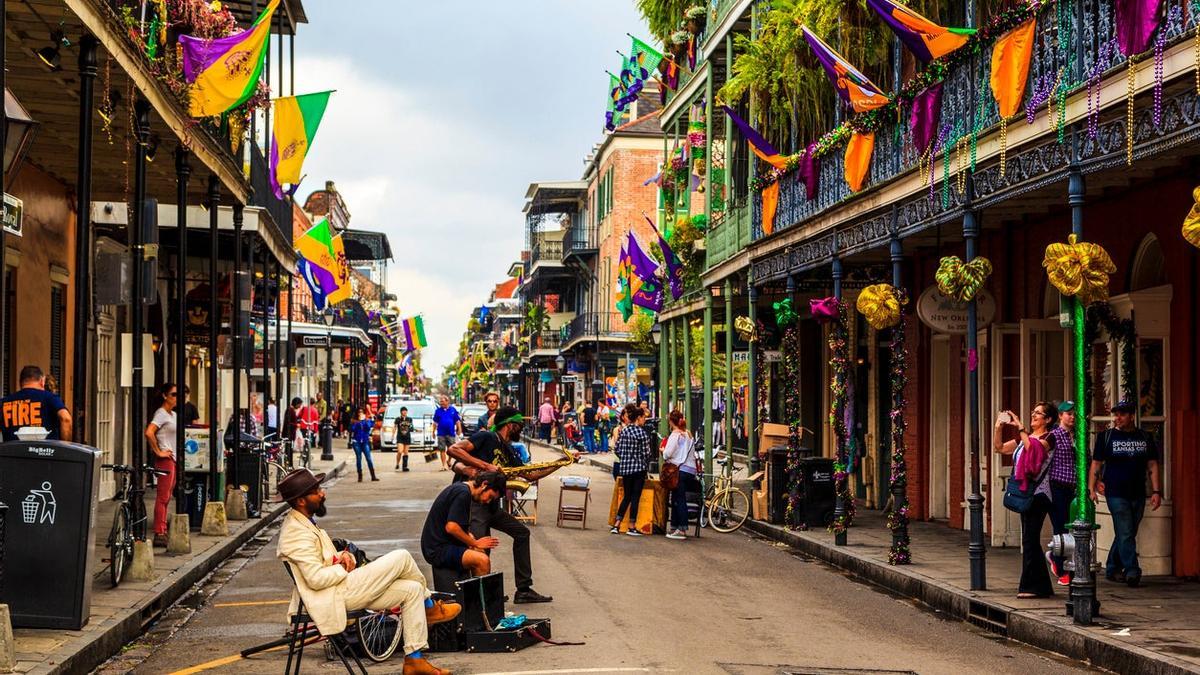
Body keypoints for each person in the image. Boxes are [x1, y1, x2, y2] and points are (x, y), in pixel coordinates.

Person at [274, 469, 458, 675]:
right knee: (402, 557)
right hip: (332, 595)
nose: (323, 493)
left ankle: (414, 660)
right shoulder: (295, 534)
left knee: (412, 589)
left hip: (339, 588)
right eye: (317, 491)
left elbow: (324, 560)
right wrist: (341, 567)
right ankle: (430, 606)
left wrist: (342, 557)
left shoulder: (304, 522)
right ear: (300, 501)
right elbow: (316, 579)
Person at [446, 407, 553, 603]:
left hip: (492, 506)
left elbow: (529, 474)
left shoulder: (509, 449)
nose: (520, 429)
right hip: (474, 502)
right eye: (519, 426)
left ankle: (523, 590)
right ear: (510, 425)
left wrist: (560, 463)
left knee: (522, 533)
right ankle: (481, 599)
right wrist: (484, 466)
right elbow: (453, 450)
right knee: (480, 549)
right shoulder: (486, 437)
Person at [1089, 399, 1162, 587]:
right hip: (1115, 492)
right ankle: (1132, 570)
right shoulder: (1106, 437)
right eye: (1116, 414)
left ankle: (1112, 567)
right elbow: (1096, 463)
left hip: (1138, 492)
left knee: (1126, 532)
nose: (1117, 418)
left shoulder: (1145, 437)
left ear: (1132, 416)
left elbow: (1152, 464)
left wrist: (1156, 491)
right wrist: (1092, 487)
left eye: (1122, 414)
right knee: (1126, 531)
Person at [994, 401, 1058, 599]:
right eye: (1033, 412)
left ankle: (1031, 587)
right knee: (1029, 540)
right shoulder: (1024, 439)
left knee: (1030, 539)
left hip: (1039, 494)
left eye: (1038, 413)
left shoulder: (1049, 437)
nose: (1034, 415)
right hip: (1027, 492)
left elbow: (1034, 451)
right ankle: (1041, 586)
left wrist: (1021, 427)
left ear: (1047, 420)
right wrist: (999, 427)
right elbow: (999, 448)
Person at [420, 472, 506, 578]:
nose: (488, 501)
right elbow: (451, 527)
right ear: (484, 484)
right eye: (490, 497)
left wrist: (471, 539)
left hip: (442, 543)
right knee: (482, 561)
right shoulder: (463, 493)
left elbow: (456, 525)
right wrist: (475, 543)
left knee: (480, 552)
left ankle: (474, 589)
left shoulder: (461, 488)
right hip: (437, 549)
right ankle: (480, 594)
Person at [1046, 400, 1078, 586]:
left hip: (1074, 488)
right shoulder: (1055, 435)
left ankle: (1071, 564)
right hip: (1057, 486)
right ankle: (1061, 568)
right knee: (1061, 527)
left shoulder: (1078, 435)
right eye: (1068, 414)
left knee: (1075, 528)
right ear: (1060, 416)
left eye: (1074, 414)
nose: (1072, 417)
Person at [145, 383, 179, 548]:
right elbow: (149, 432)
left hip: (172, 459)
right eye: (173, 394)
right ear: (165, 396)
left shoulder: (172, 415)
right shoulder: (161, 414)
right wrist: (158, 451)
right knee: (163, 496)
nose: (177, 398)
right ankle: (159, 531)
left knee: (167, 497)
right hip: (165, 459)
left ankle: (163, 528)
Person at [0, 365, 72, 441]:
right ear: (42, 381)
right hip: (46, 451)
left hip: (12, 452)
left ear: (21, 382)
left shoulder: (4, 402)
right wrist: (65, 447)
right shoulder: (50, 398)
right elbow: (66, 419)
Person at [611, 403, 652, 537]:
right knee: (635, 498)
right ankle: (631, 526)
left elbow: (617, 449)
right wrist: (639, 459)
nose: (644, 420)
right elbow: (647, 453)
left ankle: (616, 524)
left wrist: (626, 458)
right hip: (639, 469)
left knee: (627, 497)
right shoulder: (642, 433)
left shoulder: (624, 431)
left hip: (625, 469)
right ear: (638, 418)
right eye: (643, 418)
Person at [662, 409, 700, 540]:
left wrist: (662, 450)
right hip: (690, 470)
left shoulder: (675, 435)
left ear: (671, 421)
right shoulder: (688, 434)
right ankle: (674, 526)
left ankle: (682, 529)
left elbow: (667, 454)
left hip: (679, 470)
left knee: (679, 499)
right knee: (678, 498)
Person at [432, 395, 461, 472]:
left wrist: (459, 429)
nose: (441, 403)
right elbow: (435, 422)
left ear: (447, 401)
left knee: (451, 450)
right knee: (442, 449)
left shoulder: (453, 410)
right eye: (440, 401)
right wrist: (433, 432)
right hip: (441, 433)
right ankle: (444, 465)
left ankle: (449, 460)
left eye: (442, 401)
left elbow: (457, 421)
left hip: (451, 433)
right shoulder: (438, 411)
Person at [351, 408, 378, 482]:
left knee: (369, 458)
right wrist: (358, 422)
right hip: (357, 442)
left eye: (362, 412)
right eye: (359, 412)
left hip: (365, 442)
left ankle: (373, 476)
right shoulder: (354, 421)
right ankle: (360, 476)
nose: (360, 413)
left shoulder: (367, 420)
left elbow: (369, 427)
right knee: (359, 458)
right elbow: (353, 429)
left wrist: (365, 420)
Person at [395, 406, 414, 472]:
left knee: (406, 452)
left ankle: (405, 466)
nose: (404, 412)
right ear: (401, 412)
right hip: (400, 437)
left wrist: (412, 428)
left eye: (405, 411)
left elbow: (411, 427)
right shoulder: (398, 419)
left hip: (407, 437)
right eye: (403, 411)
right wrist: (392, 435)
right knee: (400, 451)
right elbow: (394, 427)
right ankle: (397, 463)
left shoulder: (409, 419)